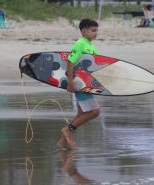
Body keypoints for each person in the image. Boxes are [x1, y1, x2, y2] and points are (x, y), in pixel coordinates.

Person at [57, 18, 100, 150]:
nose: (95, 33)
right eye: (93, 30)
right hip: (79, 83)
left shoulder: (90, 45)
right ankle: (67, 130)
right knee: (94, 112)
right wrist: (70, 82)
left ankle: (61, 143)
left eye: (96, 30)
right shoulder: (80, 44)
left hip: (86, 83)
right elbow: (70, 62)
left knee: (81, 114)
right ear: (84, 31)